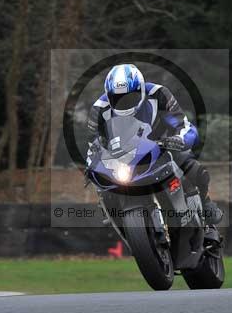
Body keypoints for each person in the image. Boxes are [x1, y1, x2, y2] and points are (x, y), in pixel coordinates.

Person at [87, 63, 223, 229]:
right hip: (123, 158)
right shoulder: (99, 108)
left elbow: (183, 125)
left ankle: (205, 202)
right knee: (102, 183)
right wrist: (93, 163)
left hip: (162, 146)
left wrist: (180, 139)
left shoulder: (158, 94)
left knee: (191, 165)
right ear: (109, 96)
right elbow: (93, 143)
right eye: (118, 98)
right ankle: (112, 214)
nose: (125, 102)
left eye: (130, 96)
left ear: (141, 89)